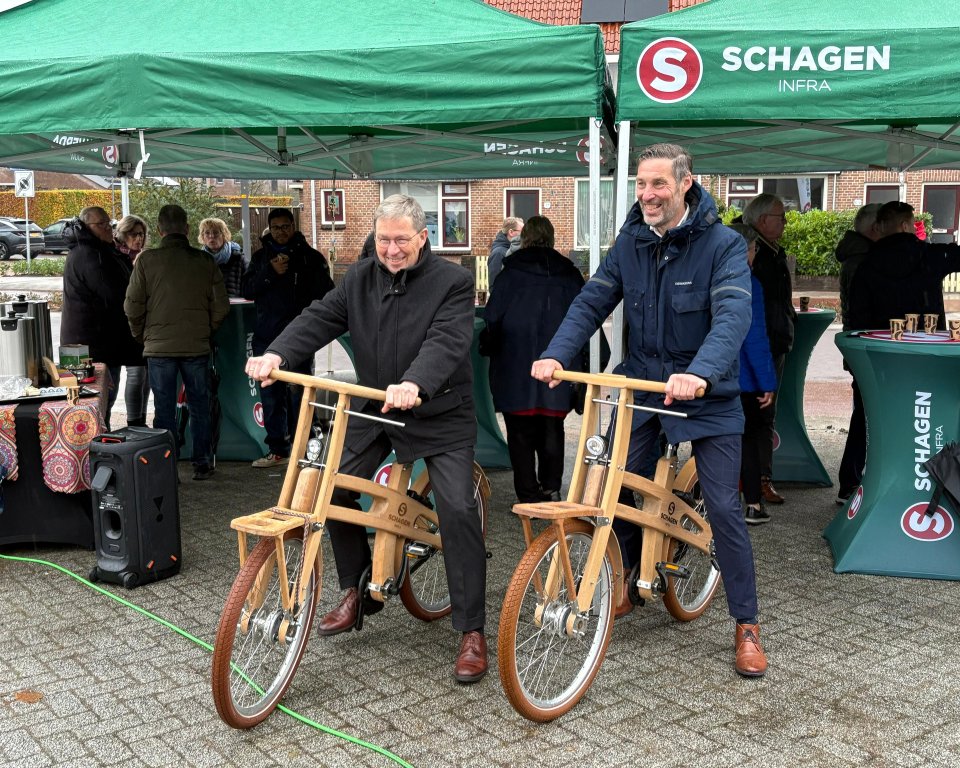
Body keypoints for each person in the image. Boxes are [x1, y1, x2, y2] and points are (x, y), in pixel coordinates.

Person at [531, 143, 767, 677]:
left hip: (706, 395)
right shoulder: (631, 240)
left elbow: (732, 316)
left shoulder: (724, 244)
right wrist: (554, 354)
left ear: (686, 183)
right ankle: (630, 580)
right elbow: (593, 300)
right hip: (642, 387)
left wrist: (701, 372)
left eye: (658, 184)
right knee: (617, 486)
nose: (648, 195)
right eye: (641, 185)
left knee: (726, 509)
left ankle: (746, 623)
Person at [245, 194, 488, 683]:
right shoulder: (359, 277)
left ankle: (471, 631)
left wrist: (416, 383)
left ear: (423, 238)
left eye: (401, 240)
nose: (391, 250)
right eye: (383, 240)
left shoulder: (453, 283)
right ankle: (355, 590)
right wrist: (276, 354)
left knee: (458, 509)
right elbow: (318, 317)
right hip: (376, 406)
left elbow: (447, 341)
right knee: (331, 485)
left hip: (438, 411)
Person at [482, 215, 584, 504]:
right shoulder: (570, 274)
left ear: (523, 238)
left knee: (520, 432)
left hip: (516, 369)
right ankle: (551, 488)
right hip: (560, 369)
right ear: (552, 239)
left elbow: (492, 319)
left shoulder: (509, 274)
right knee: (553, 429)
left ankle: (527, 495)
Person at [124, 204, 229, 480]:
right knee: (199, 406)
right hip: (196, 346)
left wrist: (142, 335)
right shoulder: (205, 262)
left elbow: (132, 305)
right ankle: (203, 463)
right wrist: (205, 331)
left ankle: (166, 467)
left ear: (159, 230)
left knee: (164, 409)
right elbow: (222, 307)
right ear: (187, 229)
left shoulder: (147, 261)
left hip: (159, 348)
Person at [241, 208, 334, 468]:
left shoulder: (310, 258)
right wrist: (270, 273)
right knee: (271, 398)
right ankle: (278, 451)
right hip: (266, 338)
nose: (281, 232)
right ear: (269, 229)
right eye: (276, 227)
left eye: (286, 226)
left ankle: (306, 451)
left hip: (300, 340)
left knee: (301, 397)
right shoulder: (260, 258)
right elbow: (247, 289)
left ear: (293, 226)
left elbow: (328, 294)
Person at [61, 207, 143, 430]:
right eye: (102, 224)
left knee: (97, 402)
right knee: (96, 402)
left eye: (109, 223)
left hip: (90, 341)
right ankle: (96, 450)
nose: (109, 228)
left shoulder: (96, 249)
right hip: (92, 345)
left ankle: (97, 446)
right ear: (88, 227)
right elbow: (114, 294)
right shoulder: (89, 253)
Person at [743, 193, 796, 506]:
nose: (785, 222)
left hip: (773, 342)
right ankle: (759, 481)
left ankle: (756, 479)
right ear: (763, 221)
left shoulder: (771, 252)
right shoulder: (758, 256)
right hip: (763, 346)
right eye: (780, 216)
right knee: (760, 415)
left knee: (758, 417)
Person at [848, 200, 960, 332]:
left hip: (883, 345)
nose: (914, 229)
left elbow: (858, 316)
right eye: (913, 225)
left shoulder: (865, 265)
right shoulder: (932, 255)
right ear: (905, 226)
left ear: (879, 228)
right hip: (928, 342)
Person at [729, 223, 777, 525]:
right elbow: (755, 337)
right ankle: (753, 506)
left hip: (708, 375)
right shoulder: (750, 283)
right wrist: (767, 382)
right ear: (748, 249)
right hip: (743, 377)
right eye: (754, 247)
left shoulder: (706, 276)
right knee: (747, 440)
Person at [834, 203, 881, 503]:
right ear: (876, 228)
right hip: (866, 345)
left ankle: (851, 480)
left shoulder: (855, 256)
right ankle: (850, 481)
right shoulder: (865, 261)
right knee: (865, 416)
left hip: (858, 343)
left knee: (862, 413)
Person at [113, 214, 151, 427]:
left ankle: (141, 420)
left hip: (143, 322)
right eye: (134, 234)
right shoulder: (118, 257)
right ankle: (134, 421)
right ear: (123, 234)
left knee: (145, 375)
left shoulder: (144, 257)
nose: (139, 239)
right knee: (136, 373)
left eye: (142, 234)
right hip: (124, 323)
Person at [198, 217, 245, 297]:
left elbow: (247, 287)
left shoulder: (238, 257)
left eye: (216, 232)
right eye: (207, 233)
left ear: (224, 235)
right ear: (203, 236)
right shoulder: (199, 259)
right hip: (207, 307)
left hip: (233, 307)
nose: (211, 236)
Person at [487, 217, 523, 286]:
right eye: (523, 231)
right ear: (511, 232)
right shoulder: (498, 254)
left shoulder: (515, 250)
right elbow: (495, 285)